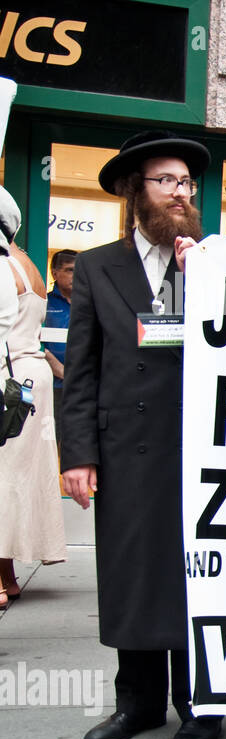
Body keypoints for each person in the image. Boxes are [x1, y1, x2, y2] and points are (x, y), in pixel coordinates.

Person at [61, 130, 223, 739]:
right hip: (124, 447)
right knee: (130, 572)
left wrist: (199, 278)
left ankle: (198, 708)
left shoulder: (211, 261)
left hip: (194, 451)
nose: (180, 193)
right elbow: (83, 367)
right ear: (137, 192)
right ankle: (137, 704)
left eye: (186, 183)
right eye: (166, 182)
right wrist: (77, 453)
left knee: (189, 578)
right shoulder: (99, 266)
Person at [0, 188, 67, 611]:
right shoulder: (25, 262)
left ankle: (1, 581)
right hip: (30, 378)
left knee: (4, 479)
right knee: (17, 477)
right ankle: (6, 574)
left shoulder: (3, 264)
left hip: (8, 379)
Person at [42, 249, 76, 448]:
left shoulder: (89, 302)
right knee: (51, 442)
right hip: (53, 387)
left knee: (76, 446)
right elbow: (36, 342)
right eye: (70, 270)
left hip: (82, 385)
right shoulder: (45, 303)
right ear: (54, 273)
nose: (76, 275)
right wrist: (60, 370)